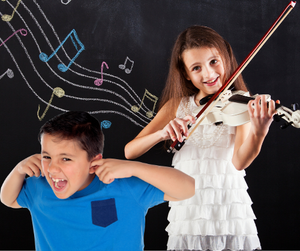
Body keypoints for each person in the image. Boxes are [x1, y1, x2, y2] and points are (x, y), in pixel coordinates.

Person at [125, 25, 276, 251]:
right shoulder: (177, 106)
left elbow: (239, 162)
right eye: (197, 68)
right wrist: (162, 133)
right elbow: (130, 151)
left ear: (225, 58)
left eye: (214, 61)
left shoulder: (239, 102)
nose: (209, 74)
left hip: (228, 209)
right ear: (186, 73)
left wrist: (260, 131)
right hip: (189, 211)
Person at [0, 111, 195, 251]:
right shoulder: (38, 188)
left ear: (93, 163)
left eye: (66, 158)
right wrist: (18, 170)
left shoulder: (124, 187)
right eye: (46, 156)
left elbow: (188, 188)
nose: (51, 168)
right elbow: (8, 199)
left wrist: (135, 168)